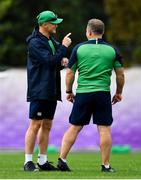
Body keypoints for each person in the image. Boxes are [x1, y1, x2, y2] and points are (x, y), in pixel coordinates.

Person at [57, 19, 125, 172]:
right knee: (104, 129)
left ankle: (62, 160)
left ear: (88, 32)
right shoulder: (112, 50)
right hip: (102, 93)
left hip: (83, 93)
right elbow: (120, 75)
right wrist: (119, 92)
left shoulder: (79, 48)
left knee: (74, 127)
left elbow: (69, 73)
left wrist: (68, 91)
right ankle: (106, 166)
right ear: (102, 32)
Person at [24, 10, 72, 172]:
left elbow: (55, 62)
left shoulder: (51, 40)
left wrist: (63, 61)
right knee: (35, 124)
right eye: (54, 23)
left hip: (51, 89)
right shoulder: (35, 42)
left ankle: (43, 161)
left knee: (47, 125)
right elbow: (49, 61)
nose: (56, 25)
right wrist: (64, 48)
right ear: (44, 25)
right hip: (39, 89)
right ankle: (28, 162)